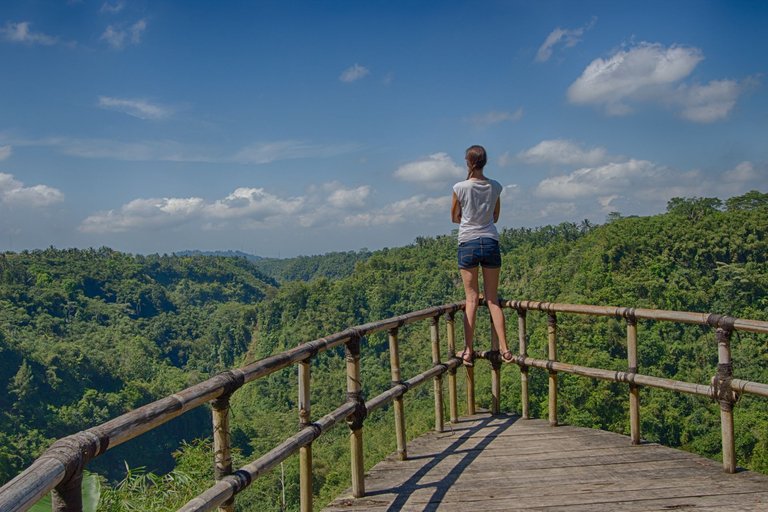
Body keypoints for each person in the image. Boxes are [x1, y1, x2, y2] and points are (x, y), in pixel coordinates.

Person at [451, 145, 512, 366]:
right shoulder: (496, 186)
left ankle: (468, 350)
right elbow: (495, 217)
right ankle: (505, 349)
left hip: (468, 242)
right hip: (490, 241)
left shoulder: (459, 187)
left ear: (468, 162)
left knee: (471, 299)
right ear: (485, 162)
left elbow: (454, 217)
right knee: (493, 299)